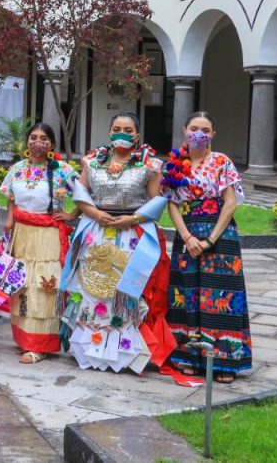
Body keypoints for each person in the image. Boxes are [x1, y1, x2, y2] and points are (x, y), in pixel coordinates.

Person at [59, 112, 176, 373]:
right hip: (95, 232)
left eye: (127, 129)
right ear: (110, 132)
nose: (121, 133)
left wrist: (132, 219)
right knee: (91, 287)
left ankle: (125, 352)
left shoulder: (150, 165)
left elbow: (158, 200)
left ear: (137, 135)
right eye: (116, 128)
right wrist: (93, 213)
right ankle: (89, 349)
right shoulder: (92, 161)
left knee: (124, 289)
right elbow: (81, 193)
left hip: (131, 235)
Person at [162, 111, 251, 383]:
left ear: (213, 134)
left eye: (205, 129)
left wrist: (210, 239)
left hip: (220, 236)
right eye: (194, 128)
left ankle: (223, 360)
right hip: (187, 235)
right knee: (186, 293)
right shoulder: (175, 164)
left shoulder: (222, 162)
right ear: (184, 130)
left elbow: (230, 203)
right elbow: (172, 204)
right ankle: (188, 356)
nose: (198, 134)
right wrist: (188, 237)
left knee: (220, 295)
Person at [0, 122, 79, 364]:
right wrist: (10, 218)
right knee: (21, 285)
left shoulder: (63, 170)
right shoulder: (18, 169)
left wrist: (71, 215)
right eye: (33, 137)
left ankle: (40, 345)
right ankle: (24, 339)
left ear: (52, 144)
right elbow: (11, 197)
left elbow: (86, 195)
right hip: (22, 235)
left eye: (44, 138)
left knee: (44, 286)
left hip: (48, 236)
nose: (38, 142)